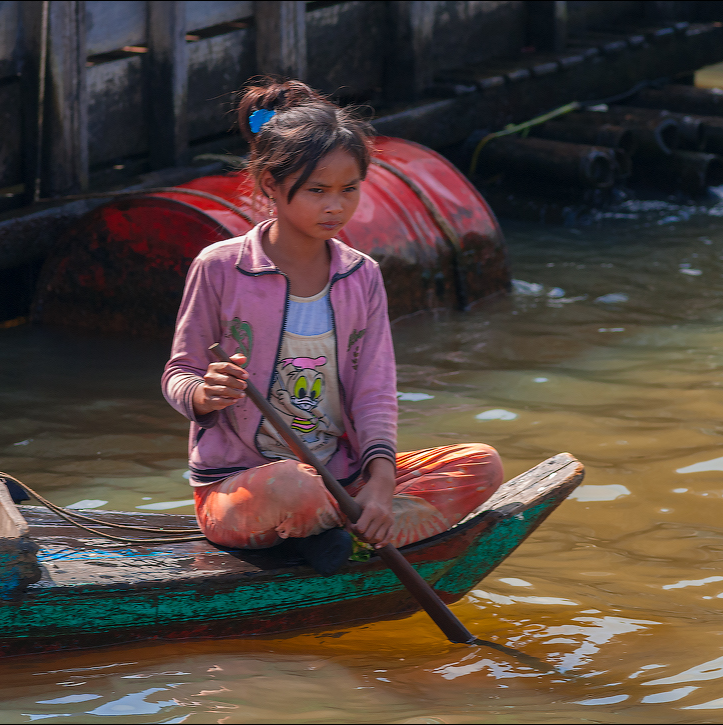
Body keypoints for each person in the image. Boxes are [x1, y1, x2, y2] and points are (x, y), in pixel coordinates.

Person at [162, 80, 503, 574]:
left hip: (342, 479)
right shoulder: (220, 267)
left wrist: (381, 487)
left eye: (349, 190)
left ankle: (350, 529)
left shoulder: (361, 275)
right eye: (317, 191)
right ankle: (353, 533)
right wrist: (204, 393)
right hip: (241, 487)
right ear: (269, 187)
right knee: (293, 487)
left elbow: (375, 392)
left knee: (480, 463)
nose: (335, 207)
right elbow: (179, 373)